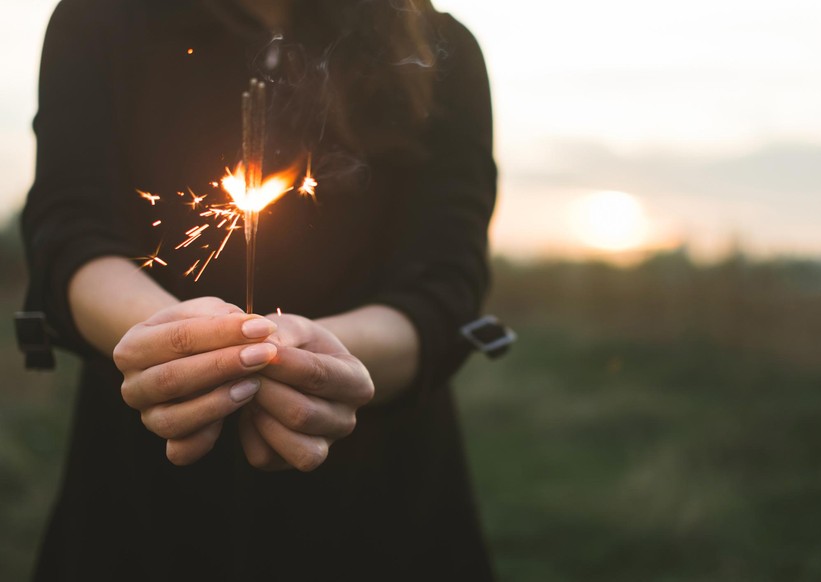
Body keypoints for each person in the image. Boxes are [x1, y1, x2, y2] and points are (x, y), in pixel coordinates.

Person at [20, 0, 499, 579]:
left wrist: (313, 361)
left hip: (376, 495)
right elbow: (69, 232)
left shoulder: (437, 47)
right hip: (143, 493)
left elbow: (446, 284)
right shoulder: (103, 18)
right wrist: (176, 343)